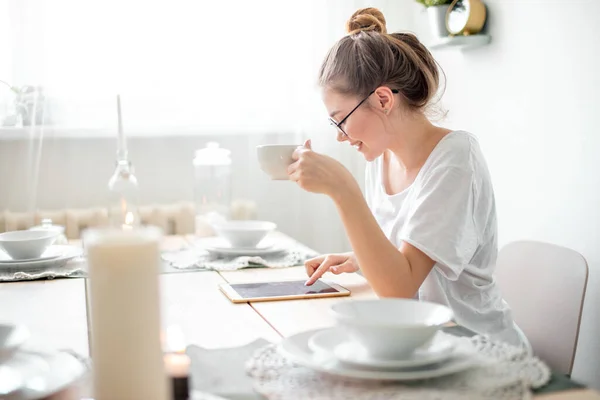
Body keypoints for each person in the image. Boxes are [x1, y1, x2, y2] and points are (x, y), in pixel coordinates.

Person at [287, 7, 529, 348]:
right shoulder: (380, 157)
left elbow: (400, 287)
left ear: (383, 99)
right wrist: (360, 260)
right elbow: (409, 259)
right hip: (416, 344)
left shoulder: (455, 160)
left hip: (473, 349)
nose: (341, 135)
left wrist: (342, 188)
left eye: (341, 119)